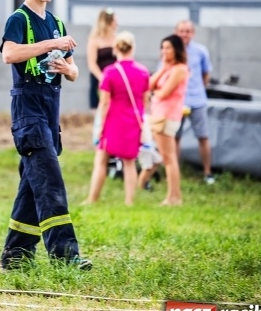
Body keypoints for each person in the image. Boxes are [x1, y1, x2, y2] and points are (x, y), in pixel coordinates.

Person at [0, 0, 91, 271]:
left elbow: (75, 71)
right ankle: (66, 257)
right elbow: (9, 54)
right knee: (50, 183)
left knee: (32, 187)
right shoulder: (19, 18)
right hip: (28, 110)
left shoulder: (57, 22)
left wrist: (69, 69)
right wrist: (51, 44)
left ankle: (16, 256)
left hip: (51, 111)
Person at [85, 31, 149, 206]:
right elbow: (145, 101)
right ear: (132, 48)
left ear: (115, 48)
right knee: (129, 163)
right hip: (133, 121)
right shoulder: (143, 72)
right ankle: (129, 201)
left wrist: (100, 127)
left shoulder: (110, 72)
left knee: (101, 160)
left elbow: (104, 103)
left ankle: (93, 199)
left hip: (113, 120)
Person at [139, 34, 188, 206]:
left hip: (167, 117)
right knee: (167, 157)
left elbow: (164, 92)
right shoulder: (168, 68)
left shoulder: (180, 69)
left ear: (177, 49)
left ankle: (174, 197)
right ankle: (173, 196)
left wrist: (154, 95)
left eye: (168, 48)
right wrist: (164, 67)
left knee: (169, 158)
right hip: (159, 115)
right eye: (163, 48)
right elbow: (150, 84)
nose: (165, 51)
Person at [174, 20, 215, 184]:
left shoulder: (200, 51)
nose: (184, 34)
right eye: (181, 31)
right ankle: (174, 172)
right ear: (176, 32)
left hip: (197, 100)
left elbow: (206, 74)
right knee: (175, 137)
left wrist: (199, 89)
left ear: (193, 33)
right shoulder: (171, 50)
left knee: (203, 136)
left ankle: (207, 172)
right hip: (177, 102)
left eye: (188, 31)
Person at [86, 8, 117, 110]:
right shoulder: (94, 40)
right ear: (107, 22)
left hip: (115, 81)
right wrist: (103, 78)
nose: (117, 23)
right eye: (114, 21)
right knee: (99, 111)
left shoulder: (117, 39)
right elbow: (92, 64)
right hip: (99, 80)